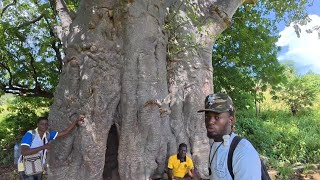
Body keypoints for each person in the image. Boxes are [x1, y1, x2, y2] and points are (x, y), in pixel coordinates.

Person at [198, 93, 261, 180]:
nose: (210, 122)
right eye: (207, 116)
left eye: (217, 117)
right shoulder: (214, 144)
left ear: (230, 120)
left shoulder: (243, 152)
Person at [19, 116, 84, 180]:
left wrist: (75, 121)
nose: (44, 126)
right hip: (25, 167)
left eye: (46, 124)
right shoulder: (30, 134)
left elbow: (65, 132)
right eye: (42, 124)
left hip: (38, 166)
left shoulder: (47, 135)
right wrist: (43, 147)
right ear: (37, 125)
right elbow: (24, 152)